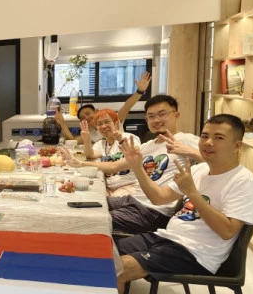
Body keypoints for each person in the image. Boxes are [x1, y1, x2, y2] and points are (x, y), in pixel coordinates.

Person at [115, 114, 253, 294]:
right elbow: (158, 198)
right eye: (205, 136)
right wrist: (137, 167)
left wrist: (192, 194)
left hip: (196, 253)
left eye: (219, 138)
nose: (208, 142)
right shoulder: (199, 170)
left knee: (116, 269)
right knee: (103, 253)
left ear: (237, 146)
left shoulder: (244, 181)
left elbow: (227, 231)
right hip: (166, 238)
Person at [61, 95, 202, 233]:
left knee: (88, 221)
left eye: (162, 114)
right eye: (151, 116)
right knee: (82, 202)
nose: (156, 120)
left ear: (176, 115)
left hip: (153, 211)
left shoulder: (185, 140)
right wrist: (79, 163)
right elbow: (115, 166)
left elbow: (215, 161)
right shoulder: (148, 146)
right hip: (133, 199)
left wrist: (190, 152)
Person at [56, 71, 152, 142]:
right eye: (83, 118)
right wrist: (62, 123)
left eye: (88, 113)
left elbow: (127, 105)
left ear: (96, 111)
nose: (86, 118)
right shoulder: (90, 133)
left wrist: (140, 91)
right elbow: (73, 140)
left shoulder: (113, 120)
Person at [80, 108, 140, 196]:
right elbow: (90, 155)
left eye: (107, 122)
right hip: (108, 187)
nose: (103, 126)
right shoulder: (101, 144)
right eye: (99, 124)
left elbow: (134, 157)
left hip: (129, 185)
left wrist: (121, 140)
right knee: (88, 196)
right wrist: (86, 140)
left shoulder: (129, 138)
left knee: (108, 201)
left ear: (116, 124)